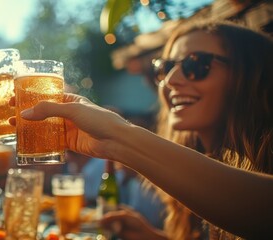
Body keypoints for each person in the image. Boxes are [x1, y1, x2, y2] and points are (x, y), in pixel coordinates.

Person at [15, 20, 273, 239]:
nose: (171, 81)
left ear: (250, 76)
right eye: (166, 68)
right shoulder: (201, 159)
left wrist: (117, 137)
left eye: (196, 64)